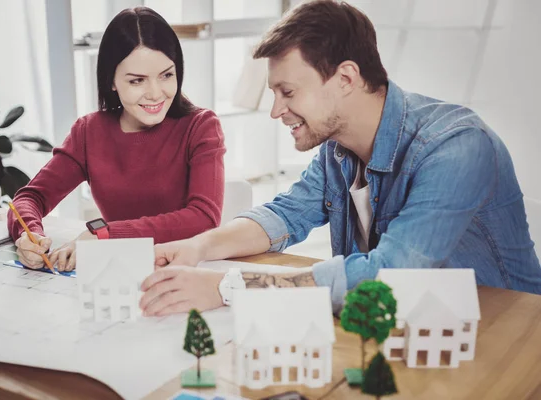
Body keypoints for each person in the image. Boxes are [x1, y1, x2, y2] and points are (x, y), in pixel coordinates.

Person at [138, 0, 541, 317]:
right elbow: (286, 215)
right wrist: (197, 247)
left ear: (346, 78)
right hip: (402, 331)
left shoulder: (457, 147)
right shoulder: (338, 150)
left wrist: (228, 288)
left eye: (288, 92)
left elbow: (390, 273)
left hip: (504, 340)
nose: (276, 111)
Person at [9, 7, 226, 272]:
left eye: (167, 75)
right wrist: (29, 236)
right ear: (111, 80)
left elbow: (203, 218)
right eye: (137, 81)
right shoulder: (89, 132)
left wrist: (103, 234)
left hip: (184, 272)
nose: (156, 94)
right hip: (116, 272)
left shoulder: (201, 126)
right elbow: (30, 198)